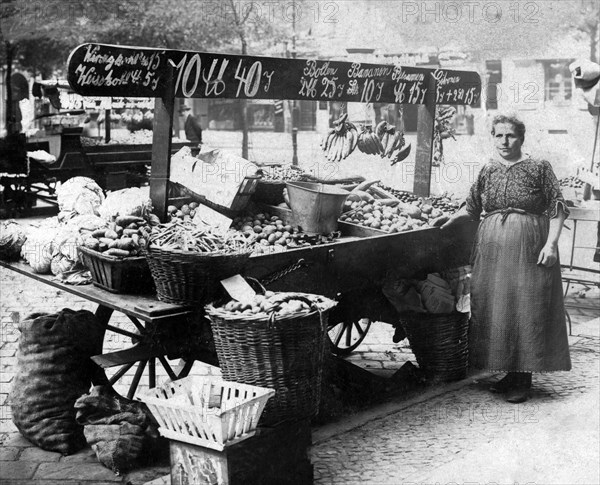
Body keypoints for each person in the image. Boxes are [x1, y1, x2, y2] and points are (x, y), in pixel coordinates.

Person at [433, 114, 571, 403]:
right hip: (492, 249)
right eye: (498, 136)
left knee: (526, 307)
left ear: (521, 138)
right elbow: (471, 208)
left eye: (510, 136)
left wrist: (551, 244)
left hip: (529, 247)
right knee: (498, 307)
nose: (504, 142)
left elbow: (557, 209)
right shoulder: (488, 168)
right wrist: (444, 222)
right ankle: (510, 372)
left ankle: (523, 378)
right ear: (492, 137)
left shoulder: (539, 167)